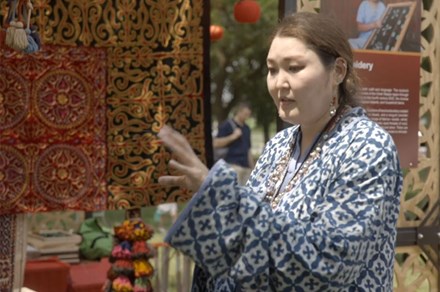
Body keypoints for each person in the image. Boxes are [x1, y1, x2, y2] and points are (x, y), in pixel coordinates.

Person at [158, 11, 402, 291]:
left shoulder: (367, 146)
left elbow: (330, 265)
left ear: (337, 71)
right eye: (272, 69)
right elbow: (246, 243)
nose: (278, 83)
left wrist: (219, 193)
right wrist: (211, 202)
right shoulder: (279, 145)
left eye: (294, 68)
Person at [213, 102, 254, 185]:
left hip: (246, 167)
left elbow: (248, 150)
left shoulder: (247, 128)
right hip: (232, 165)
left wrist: (253, 168)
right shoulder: (227, 125)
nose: (247, 117)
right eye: (245, 114)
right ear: (239, 112)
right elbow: (216, 143)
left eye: (248, 115)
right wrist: (233, 136)